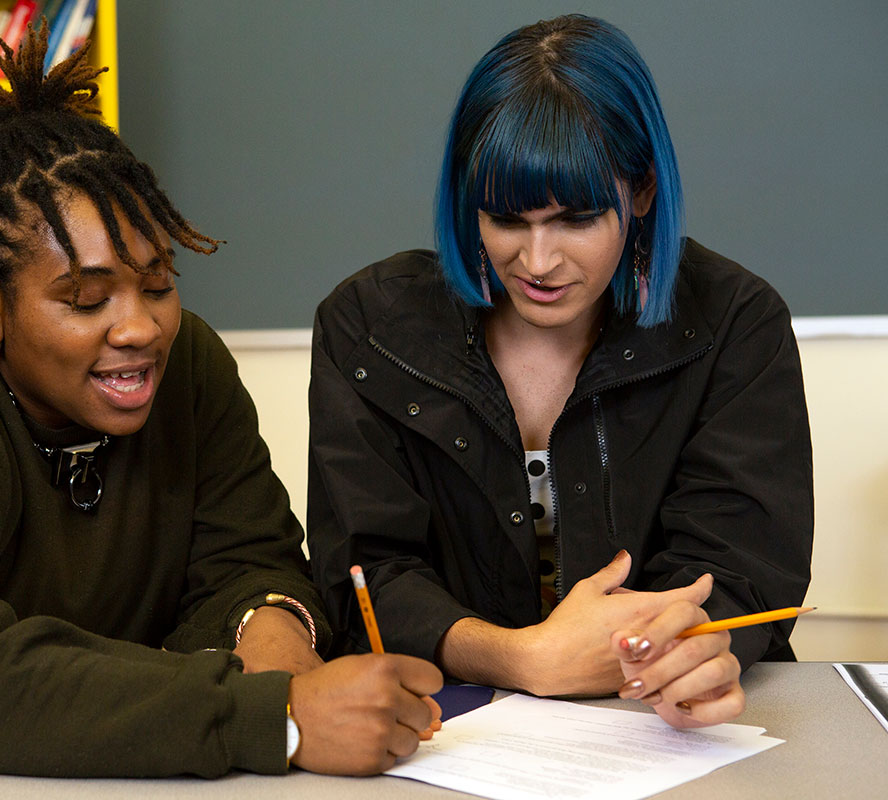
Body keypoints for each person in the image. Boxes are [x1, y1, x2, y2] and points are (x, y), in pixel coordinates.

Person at [0, 23, 441, 778]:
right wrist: (276, 721)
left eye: (158, 284)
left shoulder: (190, 365)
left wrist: (269, 621)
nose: (140, 328)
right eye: (84, 299)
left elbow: (249, 555)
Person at [307, 14, 812, 729]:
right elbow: (362, 574)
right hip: (443, 729)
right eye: (507, 219)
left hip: (664, 729)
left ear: (639, 193)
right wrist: (522, 657)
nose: (537, 263)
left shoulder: (735, 322)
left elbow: (738, 570)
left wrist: (689, 652)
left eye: (575, 219)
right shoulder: (368, 326)